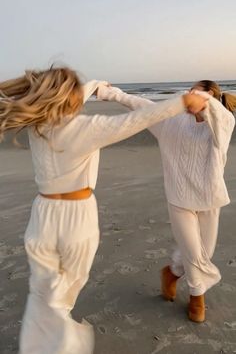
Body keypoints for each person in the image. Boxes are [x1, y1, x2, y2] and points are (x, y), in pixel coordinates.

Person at [0, 66, 206, 353]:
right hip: (76, 219)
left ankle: (40, 341)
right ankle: (56, 344)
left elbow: (70, 101)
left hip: (42, 216)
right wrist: (182, 103)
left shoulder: (40, 123)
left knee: (43, 291)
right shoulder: (84, 129)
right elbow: (135, 120)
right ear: (68, 97)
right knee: (66, 292)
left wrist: (95, 85)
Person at [97, 79, 236, 323]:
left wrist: (205, 102)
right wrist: (112, 93)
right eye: (191, 94)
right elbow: (141, 105)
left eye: (202, 97)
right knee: (194, 253)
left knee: (205, 252)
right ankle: (196, 297)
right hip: (180, 198)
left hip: (210, 198)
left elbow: (221, 116)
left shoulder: (222, 125)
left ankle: (171, 272)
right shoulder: (170, 122)